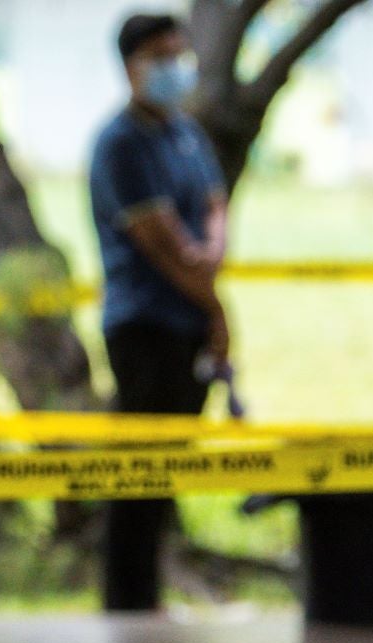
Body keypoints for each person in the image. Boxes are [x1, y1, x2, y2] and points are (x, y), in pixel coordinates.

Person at [90, 11, 232, 612]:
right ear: (131, 65)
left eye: (180, 53)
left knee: (167, 474)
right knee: (138, 477)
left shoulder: (185, 133)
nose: (174, 67)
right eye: (160, 56)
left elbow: (213, 203)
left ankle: (149, 592)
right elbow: (164, 245)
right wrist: (217, 306)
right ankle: (129, 604)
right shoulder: (121, 142)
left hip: (187, 324)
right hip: (143, 326)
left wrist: (211, 258)